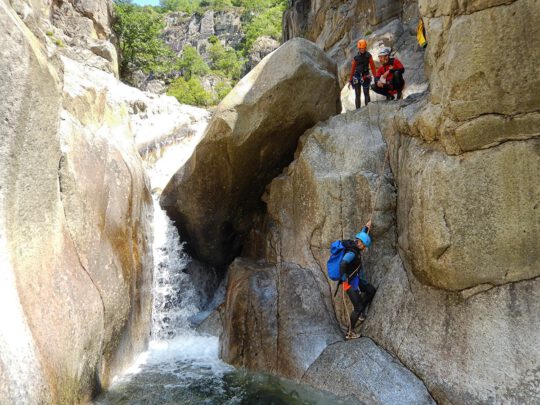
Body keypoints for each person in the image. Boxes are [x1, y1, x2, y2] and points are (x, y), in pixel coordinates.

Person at [338, 220, 377, 340]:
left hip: (355, 279)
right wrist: (344, 279)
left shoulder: (354, 243)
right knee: (357, 307)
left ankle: (360, 314)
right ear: (360, 244)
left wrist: (366, 227)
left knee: (370, 290)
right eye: (364, 246)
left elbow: (361, 235)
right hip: (349, 283)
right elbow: (343, 264)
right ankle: (350, 333)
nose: (364, 248)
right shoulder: (352, 252)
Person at [348, 39, 377, 109]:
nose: (362, 50)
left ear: (365, 47)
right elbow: (352, 69)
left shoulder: (369, 56)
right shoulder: (356, 58)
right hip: (357, 76)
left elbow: (373, 67)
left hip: (365, 75)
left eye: (363, 48)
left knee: (366, 93)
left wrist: (376, 77)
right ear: (358, 48)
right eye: (361, 48)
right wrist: (350, 80)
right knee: (357, 95)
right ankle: (358, 110)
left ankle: (368, 109)